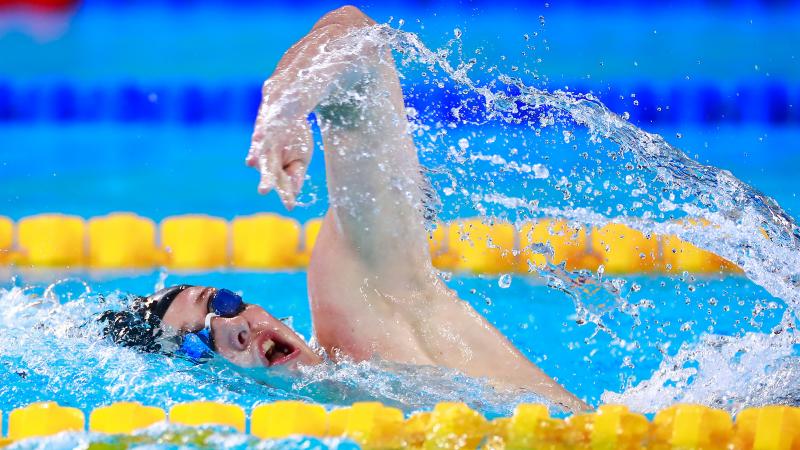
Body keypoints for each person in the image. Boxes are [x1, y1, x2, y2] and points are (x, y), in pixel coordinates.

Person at [101, 5, 588, 413]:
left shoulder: (369, 311)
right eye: (199, 342)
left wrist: (286, 104)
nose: (235, 326)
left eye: (222, 303)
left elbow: (356, 35)